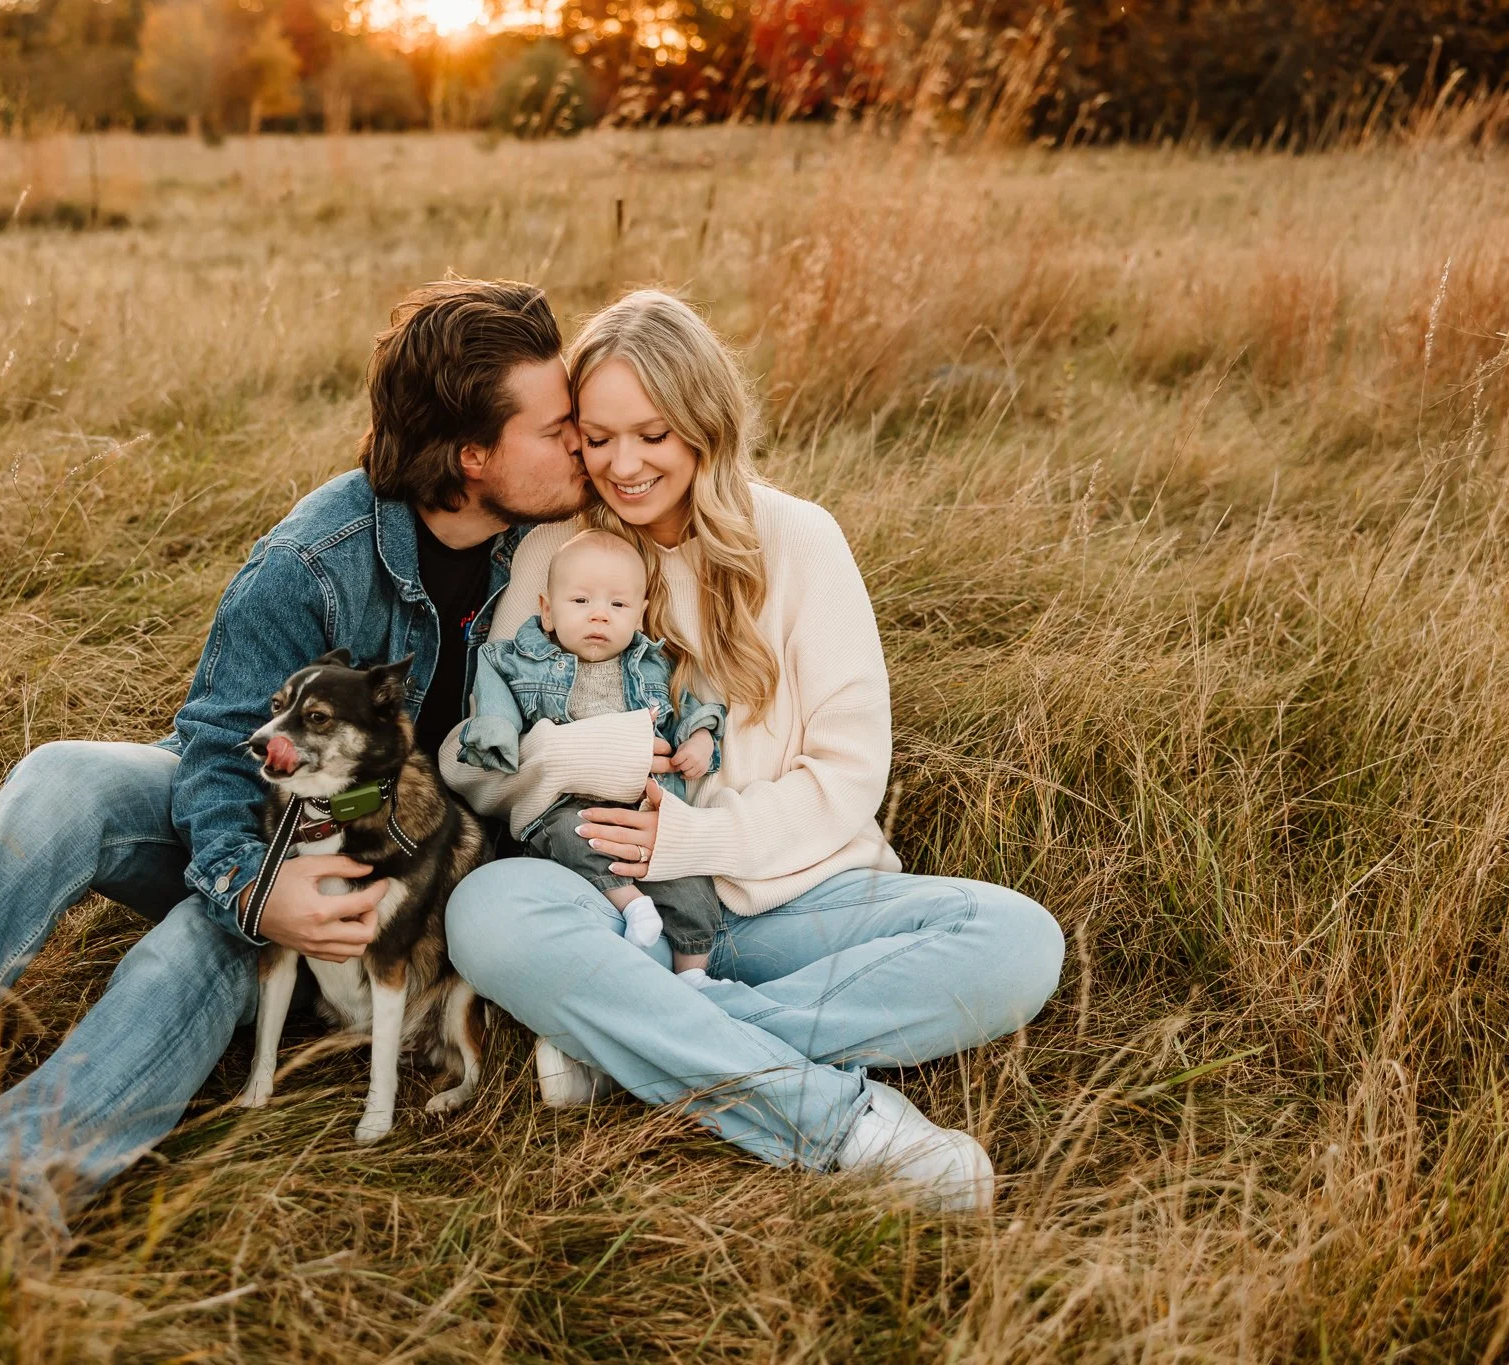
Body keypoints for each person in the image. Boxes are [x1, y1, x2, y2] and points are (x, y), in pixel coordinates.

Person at [0, 278, 588, 1261]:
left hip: (415, 882)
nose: (581, 446)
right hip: (279, 820)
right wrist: (251, 880)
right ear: (471, 456)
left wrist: (256, 900)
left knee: (209, 934)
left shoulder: (563, 548)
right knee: (66, 777)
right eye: (558, 427)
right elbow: (222, 750)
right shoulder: (313, 562)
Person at [438, 290, 1065, 1212]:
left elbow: (850, 772)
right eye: (599, 436)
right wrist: (589, 762)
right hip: (619, 907)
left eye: (651, 433)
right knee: (489, 908)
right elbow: (480, 765)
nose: (623, 464)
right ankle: (851, 1128)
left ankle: (642, 1038)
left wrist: (692, 843)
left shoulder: (800, 540)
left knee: (1018, 941)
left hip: (800, 899)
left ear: (703, 424)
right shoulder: (556, 552)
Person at [456, 527, 726, 984]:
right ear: (547, 610)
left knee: (693, 886)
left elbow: (690, 709)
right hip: (567, 804)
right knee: (570, 832)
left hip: (647, 811)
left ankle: (693, 975)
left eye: (617, 605)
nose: (599, 616)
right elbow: (493, 693)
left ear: (640, 616)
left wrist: (701, 740)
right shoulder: (516, 660)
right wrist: (497, 731)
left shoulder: (655, 664)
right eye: (580, 602)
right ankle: (632, 904)